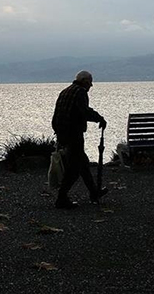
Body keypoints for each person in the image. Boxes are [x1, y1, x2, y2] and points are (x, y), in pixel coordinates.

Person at [51, 70, 107, 209]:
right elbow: (84, 111)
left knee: (83, 164)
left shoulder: (65, 91)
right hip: (73, 134)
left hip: (62, 133)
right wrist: (100, 118)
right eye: (90, 82)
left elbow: (56, 114)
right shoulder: (80, 92)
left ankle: (94, 192)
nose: (91, 85)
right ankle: (61, 198)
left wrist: (58, 133)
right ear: (85, 81)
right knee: (75, 168)